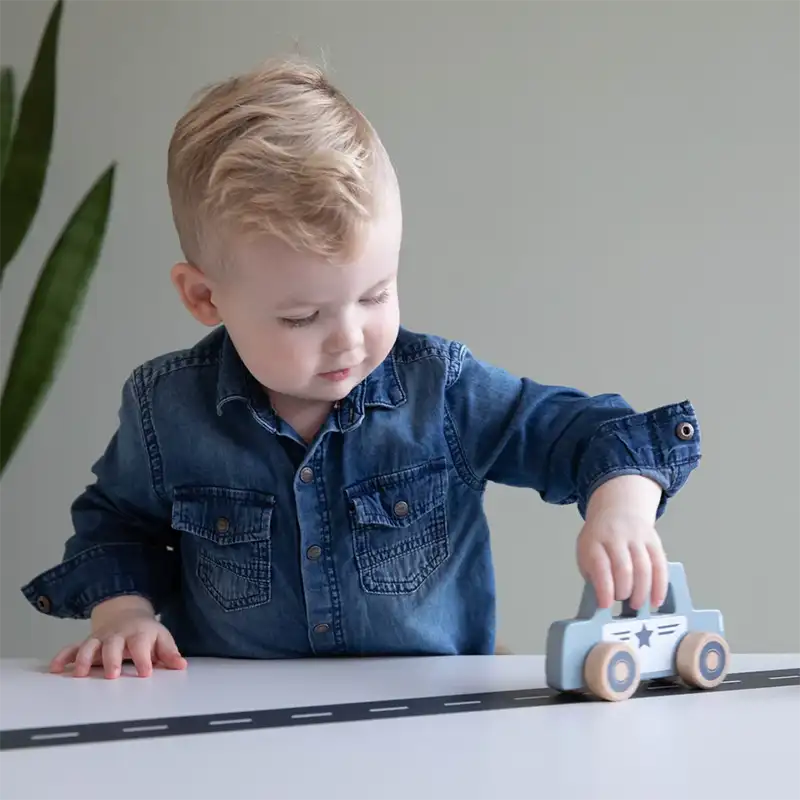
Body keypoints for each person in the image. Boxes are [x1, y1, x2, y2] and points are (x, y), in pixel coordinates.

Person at [21, 57, 701, 679]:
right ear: (205, 297)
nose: (350, 339)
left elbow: (579, 432)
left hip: (432, 720)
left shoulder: (441, 391)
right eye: (301, 318)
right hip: (234, 725)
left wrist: (622, 508)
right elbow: (116, 525)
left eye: (376, 295)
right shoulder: (166, 410)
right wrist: (123, 614)